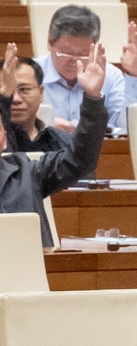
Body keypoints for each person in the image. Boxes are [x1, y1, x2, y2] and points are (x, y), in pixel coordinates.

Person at [0, 45, 102, 245]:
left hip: (34, 264)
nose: (17, 99)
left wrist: (92, 100)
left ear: (3, 139)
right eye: (13, 94)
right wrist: (3, 97)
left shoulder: (27, 172)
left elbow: (80, 159)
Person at [36, 3, 137, 136]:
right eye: (66, 52)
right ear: (50, 42)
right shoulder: (30, 73)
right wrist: (44, 125)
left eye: (84, 53)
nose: (75, 61)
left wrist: (134, 75)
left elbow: (130, 130)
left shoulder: (110, 76)